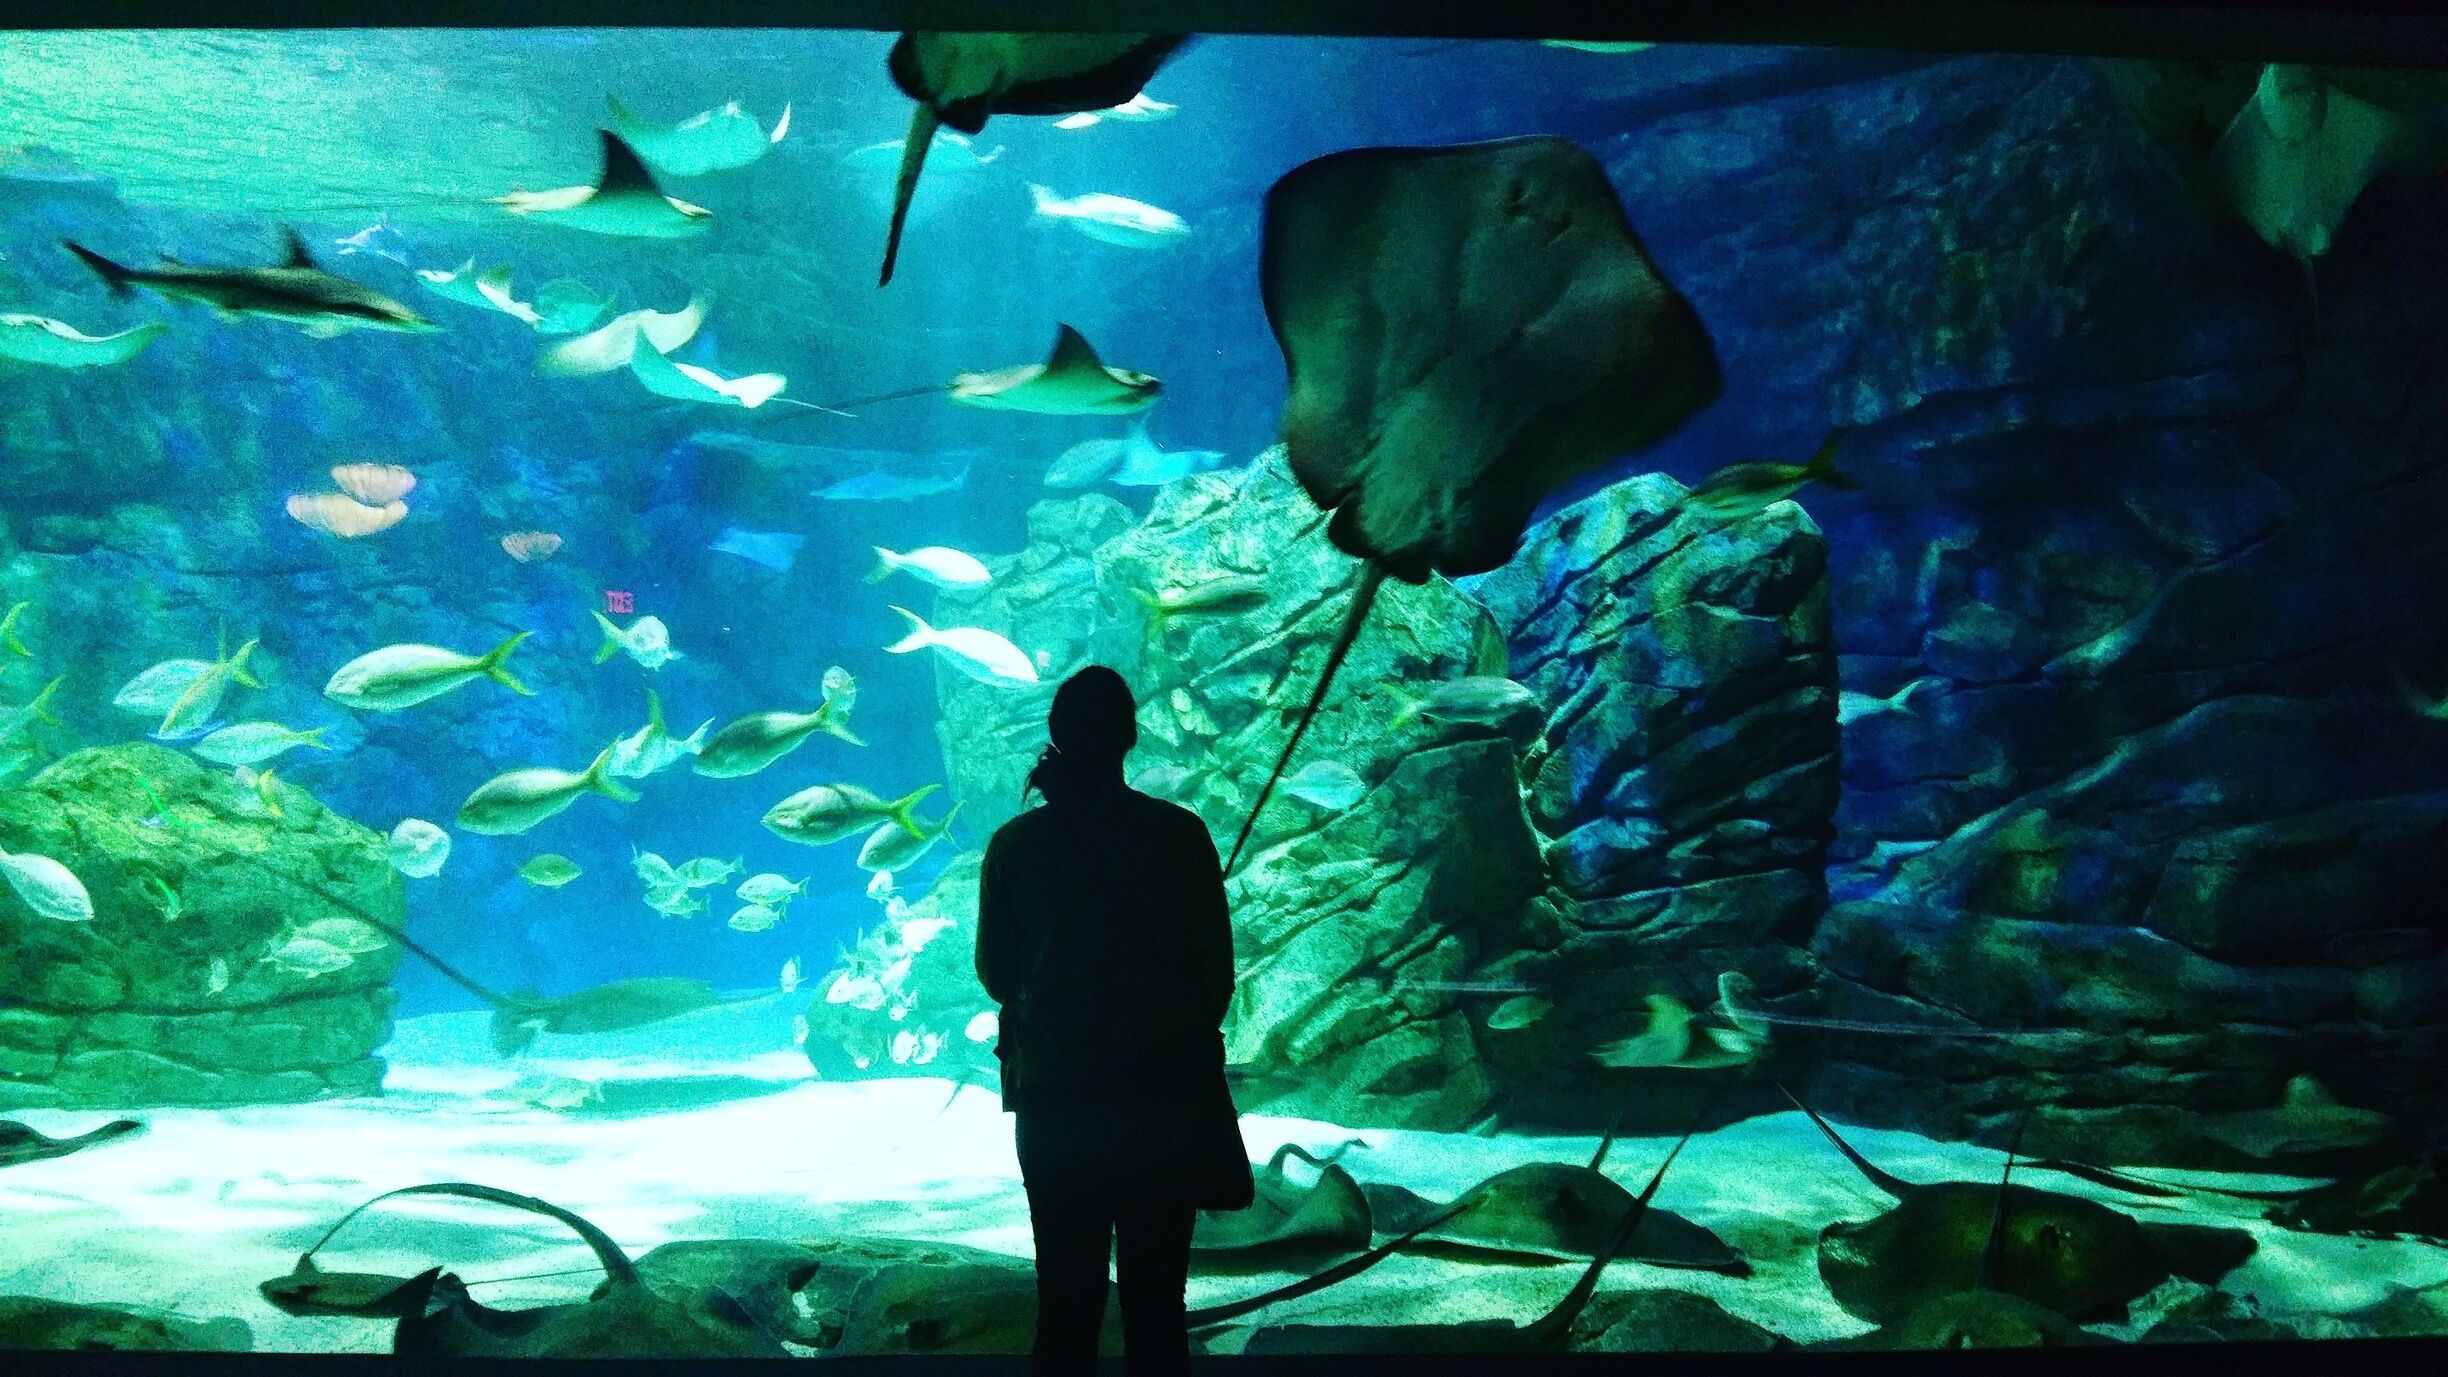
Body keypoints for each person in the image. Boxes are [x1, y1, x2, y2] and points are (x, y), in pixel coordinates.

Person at [977, 665, 1253, 1377]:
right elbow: (1215, 980)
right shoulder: (1181, 836)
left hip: (1056, 1104)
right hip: (1159, 1107)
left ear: (1057, 735)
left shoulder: (1014, 846)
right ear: (1130, 736)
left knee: (1064, 1306)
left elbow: (996, 975)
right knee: (1157, 1309)